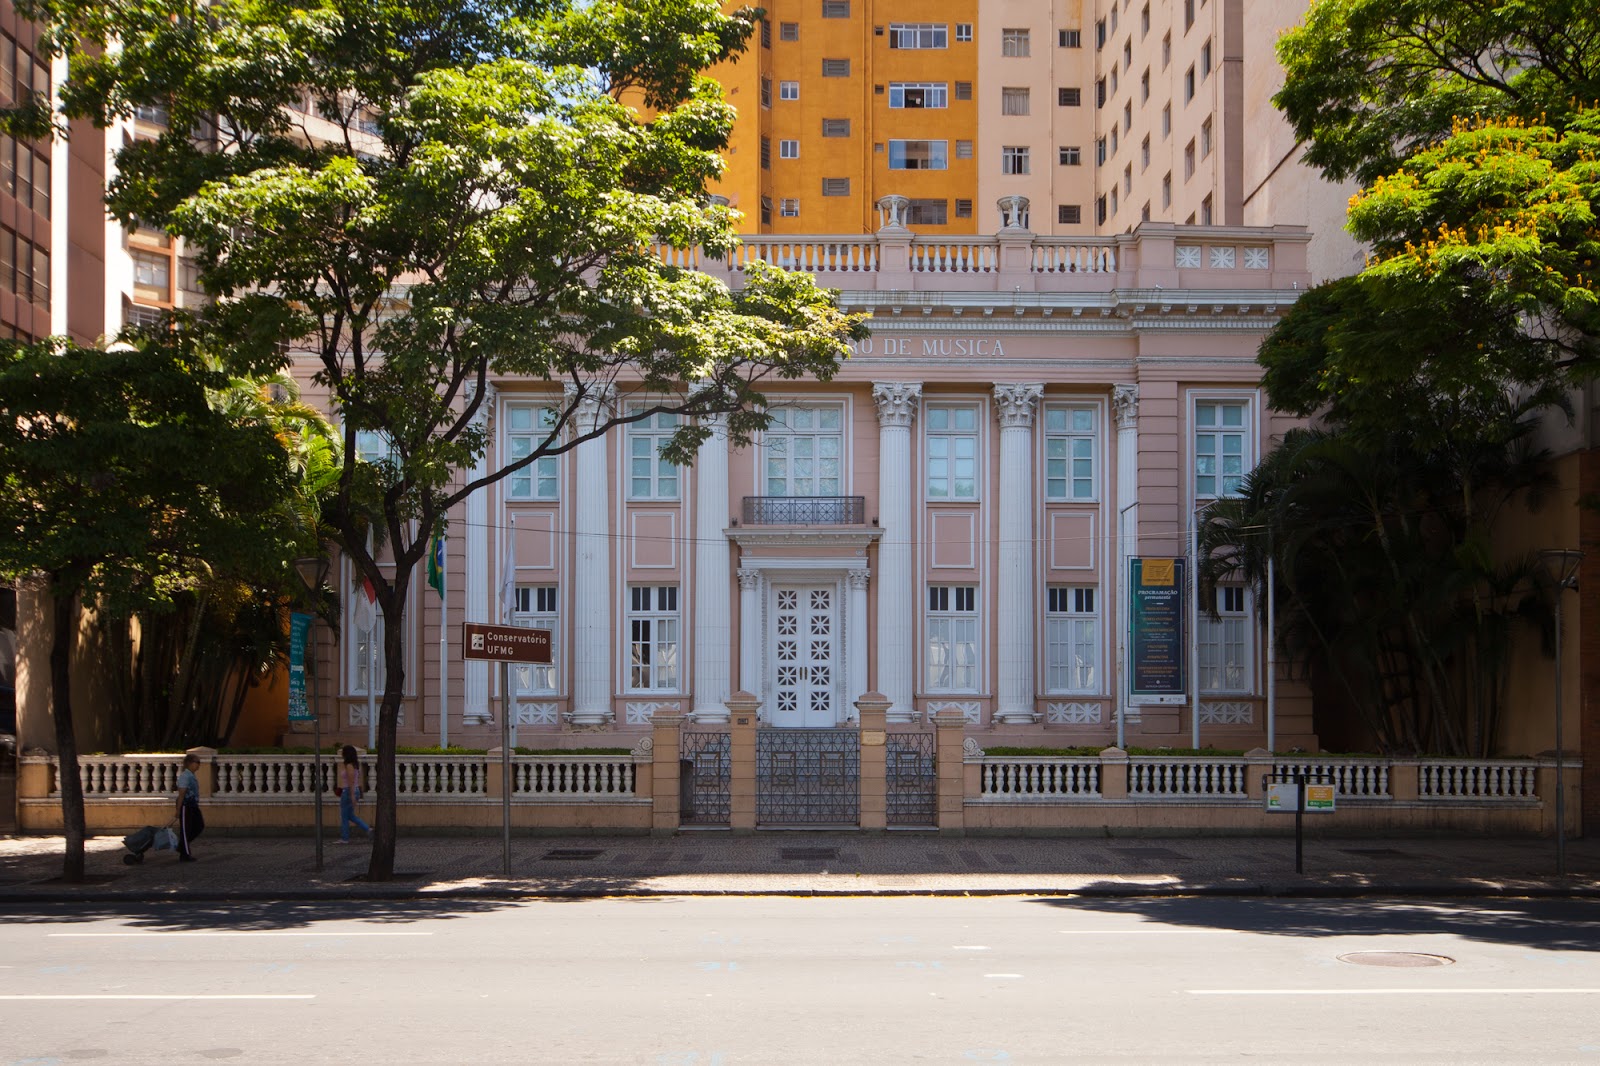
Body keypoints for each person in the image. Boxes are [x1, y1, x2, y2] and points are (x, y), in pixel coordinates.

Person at [336, 745, 372, 843]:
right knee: (350, 815)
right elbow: (357, 780)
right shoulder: (355, 765)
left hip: (348, 791)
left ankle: (345, 838)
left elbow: (351, 781)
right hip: (352, 790)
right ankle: (367, 829)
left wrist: (352, 795)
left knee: (344, 815)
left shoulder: (349, 766)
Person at [174, 753, 204, 862]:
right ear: (189, 763)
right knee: (186, 830)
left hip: (192, 805)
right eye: (197, 762)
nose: (199, 765)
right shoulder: (185, 776)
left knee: (199, 826)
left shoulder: (191, 775)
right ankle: (185, 854)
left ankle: (182, 846)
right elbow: (181, 794)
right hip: (185, 806)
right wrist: (178, 810)